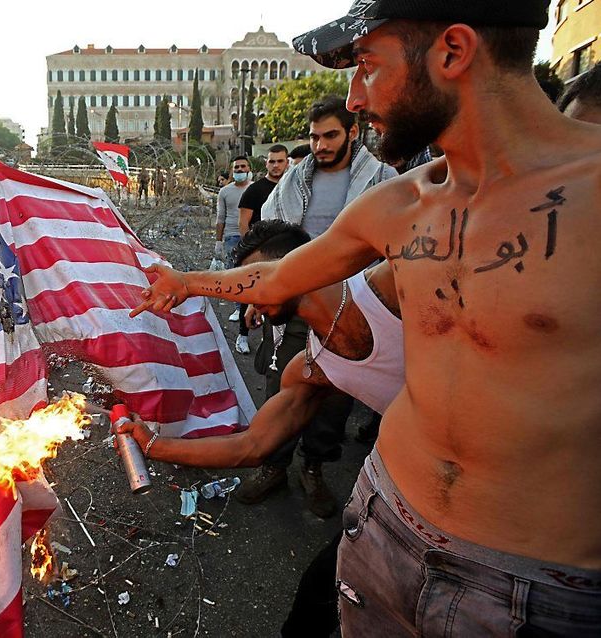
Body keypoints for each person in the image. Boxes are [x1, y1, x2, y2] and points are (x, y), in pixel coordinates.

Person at [132, 1, 601, 634]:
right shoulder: (400, 204)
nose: (353, 99)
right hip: (381, 528)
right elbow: (278, 274)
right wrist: (185, 281)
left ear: (453, 51)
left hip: (535, 588)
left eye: (367, 67)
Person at [119, 219, 403, 637]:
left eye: (249, 281)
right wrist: (156, 446)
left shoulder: (390, 285)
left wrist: (188, 282)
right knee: (311, 608)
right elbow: (252, 445)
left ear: (296, 267)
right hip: (404, 507)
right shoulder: (312, 367)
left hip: (513, 521)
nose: (248, 295)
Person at [241, 97, 397, 518]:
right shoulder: (292, 182)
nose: (321, 145)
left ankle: (313, 467)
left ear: (352, 132)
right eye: (313, 137)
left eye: (330, 135)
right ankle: (273, 465)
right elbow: (269, 241)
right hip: (296, 303)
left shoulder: (384, 180)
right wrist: (260, 295)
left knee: (334, 396)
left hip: (355, 307)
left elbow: (396, 249)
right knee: (281, 387)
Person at [228, 145, 290, 354]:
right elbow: (244, 223)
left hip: (287, 252)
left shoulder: (293, 187)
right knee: (252, 293)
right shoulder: (254, 190)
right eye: (272, 161)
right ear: (266, 163)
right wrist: (251, 253)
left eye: (280, 161)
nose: (275, 165)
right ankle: (243, 336)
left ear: (287, 162)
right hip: (260, 253)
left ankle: (273, 340)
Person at [215, 155, 253, 278]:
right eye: (236, 167)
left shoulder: (255, 188)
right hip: (232, 237)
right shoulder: (224, 191)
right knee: (232, 273)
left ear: (249, 169)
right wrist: (218, 242)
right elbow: (220, 218)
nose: (240, 169)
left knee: (250, 272)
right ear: (232, 170)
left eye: (243, 166)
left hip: (252, 236)